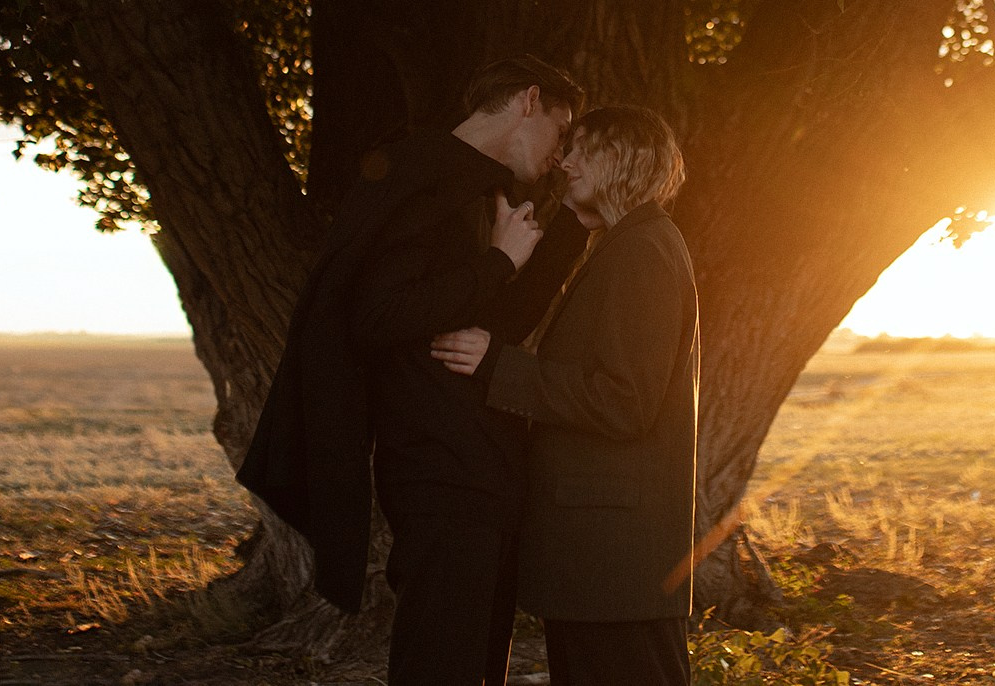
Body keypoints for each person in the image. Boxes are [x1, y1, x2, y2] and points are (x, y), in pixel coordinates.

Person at [237, 55, 588, 686]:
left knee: (480, 663)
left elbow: (491, 329)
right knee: (441, 662)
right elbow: (375, 317)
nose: (560, 155)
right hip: (437, 467)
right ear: (528, 101)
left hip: (481, 461)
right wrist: (498, 262)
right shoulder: (419, 173)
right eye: (561, 132)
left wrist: (567, 236)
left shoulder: (481, 189)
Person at [431, 105, 697, 686]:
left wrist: (499, 367)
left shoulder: (643, 252)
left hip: (617, 564)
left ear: (623, 160)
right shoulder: (625, 245)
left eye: (583, 150)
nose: (565, 162)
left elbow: (626, 402)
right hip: (598, 561)